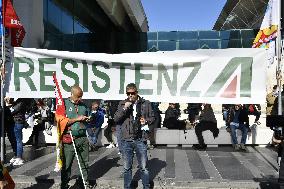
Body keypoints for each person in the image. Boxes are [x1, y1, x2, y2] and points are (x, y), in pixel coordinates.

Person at [114, 83, 155, 189]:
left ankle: (146, 186)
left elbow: (153, 118)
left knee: (143, 167)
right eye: (128, 93)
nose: (130, 95)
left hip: (140, 138)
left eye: (133, 93)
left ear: (137, 92)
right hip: (127, 139)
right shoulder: (122, 103)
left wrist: (146, 120)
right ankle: (127, 187)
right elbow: (116, 119)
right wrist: (124, 108)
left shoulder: (146, 103)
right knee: (127, 167)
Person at [60, 85, 94, 189]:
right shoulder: (64, 104)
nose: (80, 99)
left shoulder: (83, 105)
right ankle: (64, 185)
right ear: (72, 94)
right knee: (67, 165)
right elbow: (60, 121)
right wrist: (76, 119)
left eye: (81, 97)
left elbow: (89, 116)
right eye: (78, 97)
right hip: (69, 138)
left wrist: (89, 119)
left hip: (82, 138)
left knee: (84, 163)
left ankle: (84, 183)